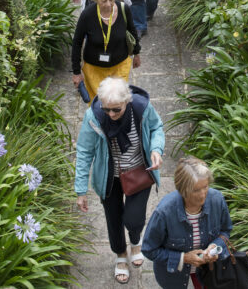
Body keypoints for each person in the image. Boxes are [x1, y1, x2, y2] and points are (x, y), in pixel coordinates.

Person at [75, 77, 165, 285]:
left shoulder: (142, 108)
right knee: (113, 220)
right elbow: (84, 151)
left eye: (116, 109)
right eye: (107, 110)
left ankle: (136, 242)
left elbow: (156, 128)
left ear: (127, 101)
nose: (111, 115)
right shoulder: (94, 116)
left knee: (134, 219)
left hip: (139, 172)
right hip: (109, 177)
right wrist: (81, 190)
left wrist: (156, 149)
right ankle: (121, 256)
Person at [142, 157, 233, 289]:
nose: (203, 195)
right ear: (182, 189)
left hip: (208, 271)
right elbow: (149, 249)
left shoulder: (217, 200)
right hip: (173, 276)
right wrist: (183, 258)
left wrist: (215, 246)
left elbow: (225, 231)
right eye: (196, 190)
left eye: (205, 187)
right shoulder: (164, 213)